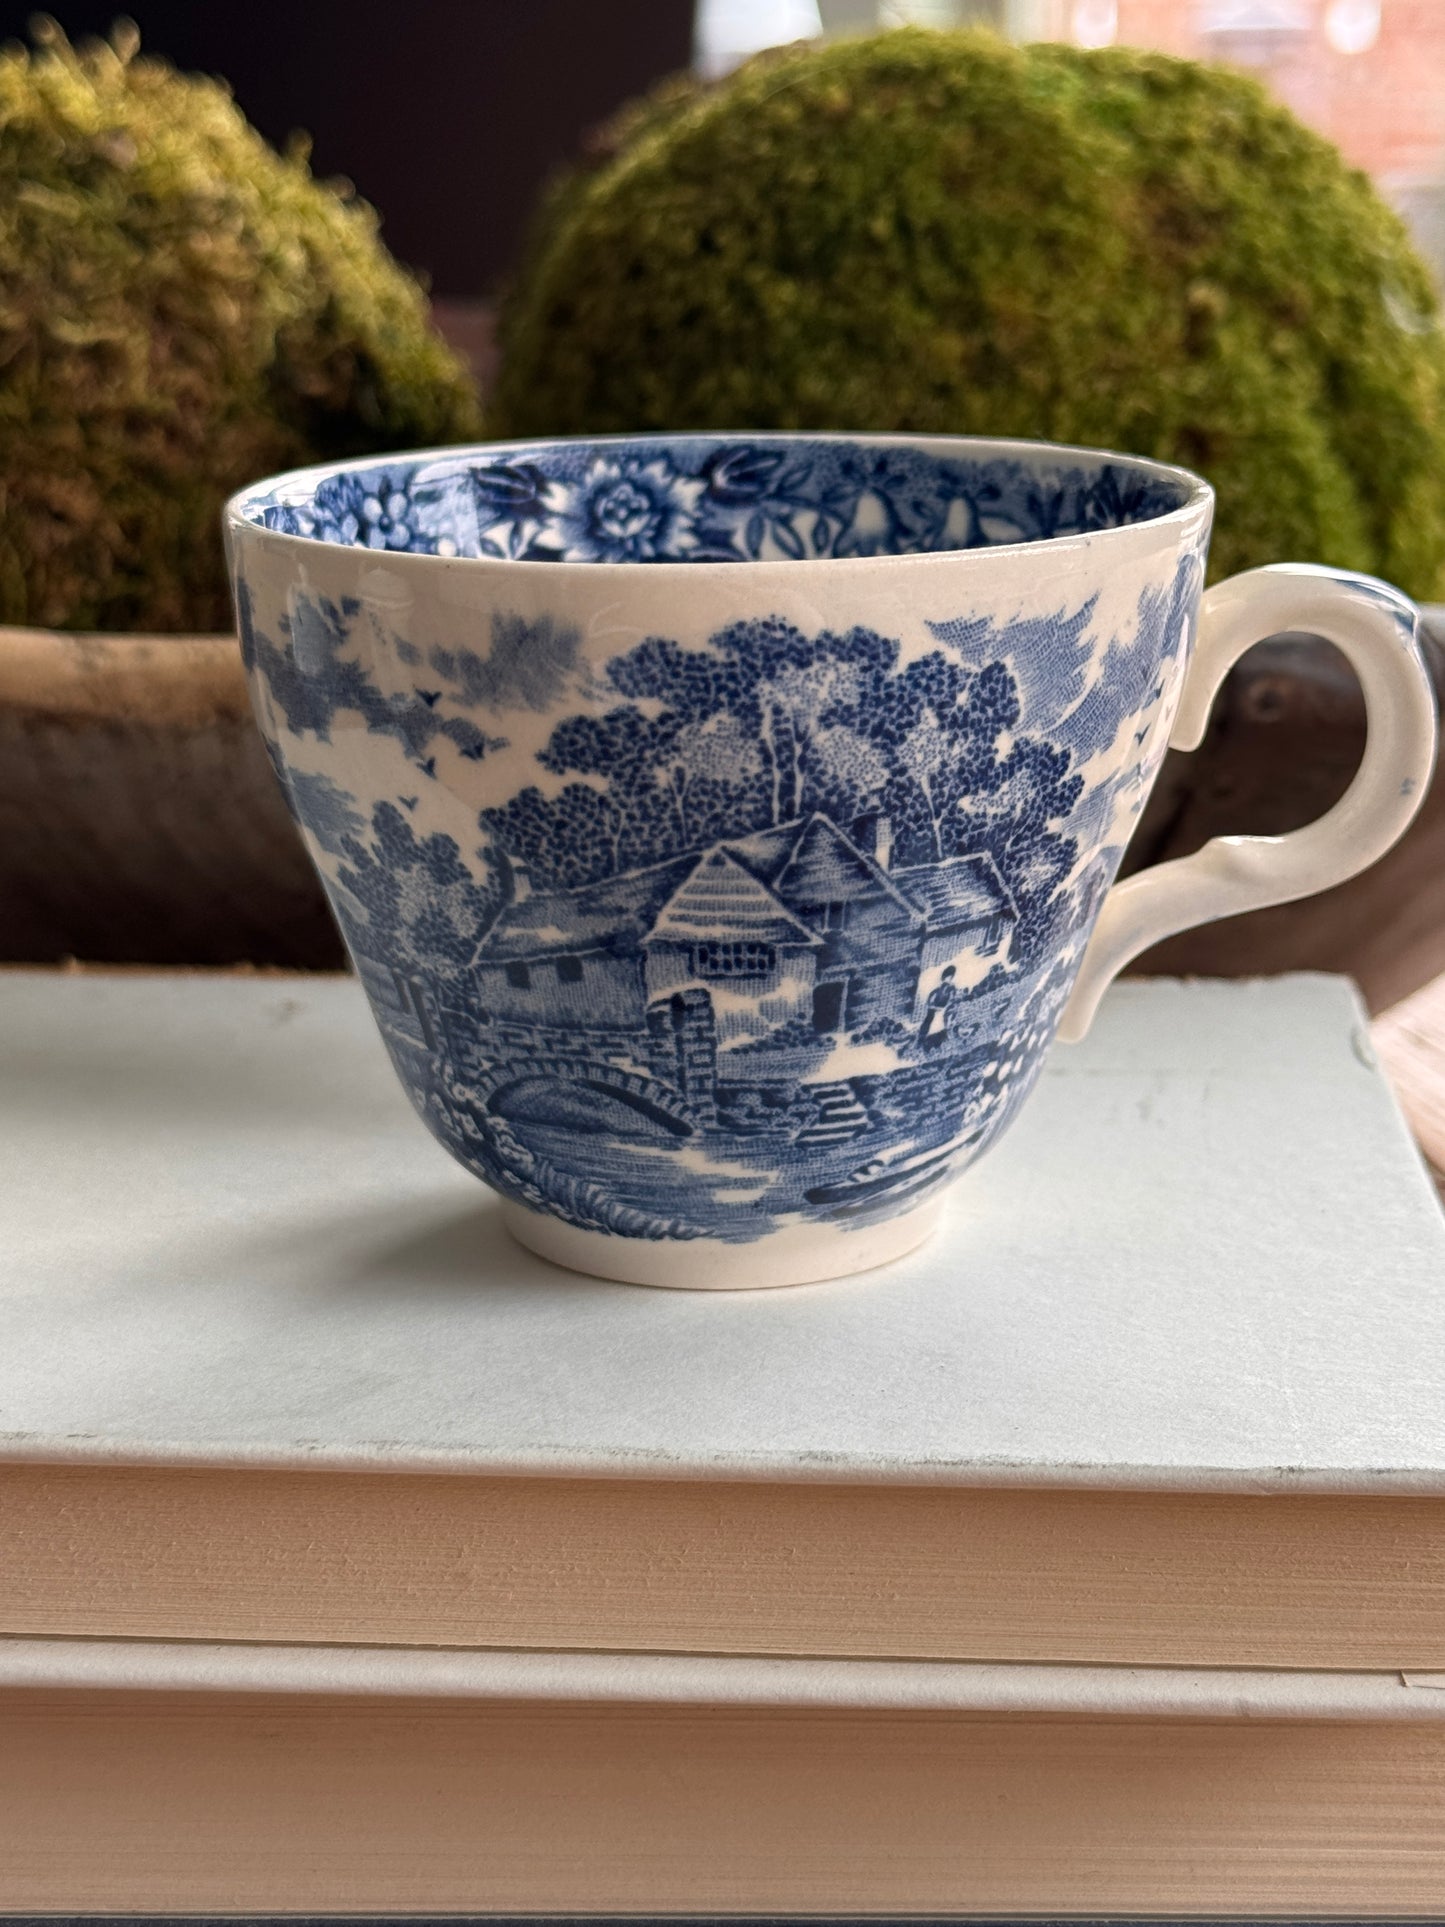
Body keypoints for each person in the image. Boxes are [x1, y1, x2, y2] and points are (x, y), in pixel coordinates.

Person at [918, 965, 959, 1052]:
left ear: (951, 977)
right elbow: (932, 997)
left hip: (942, 1011)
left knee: (939, 1026)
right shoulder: (940, 988)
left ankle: (933, 1044)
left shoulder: (951, 988)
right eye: (945, 977)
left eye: (948, 977)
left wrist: (943, 1008)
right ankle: (923, 1042)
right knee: (928, 1023)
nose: (946, 979)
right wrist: (933, 1006)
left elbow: (951, 1000)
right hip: (934, 1010)